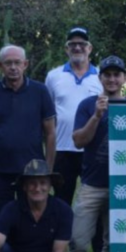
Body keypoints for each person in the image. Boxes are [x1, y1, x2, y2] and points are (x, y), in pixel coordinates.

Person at [58, 55, 126, 252]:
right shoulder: (88, 105)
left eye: (116, 74)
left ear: (124, 78)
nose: (111, 79)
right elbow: (78, 140)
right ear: (100, 78)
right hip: (91, 184)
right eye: (107, 74)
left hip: (121, 186)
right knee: (78, 237)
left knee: (111, 241)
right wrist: (97, 116)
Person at [0, 45, 58, 222]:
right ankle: (3, 250)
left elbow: (51, 133)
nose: (13, 67)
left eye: (17, 62)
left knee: (32, 219)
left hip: (32, 172)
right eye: (8, 63)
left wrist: (48, 172)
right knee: (1, 220)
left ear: (25, 64)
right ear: (0, 66)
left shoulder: (40, 91)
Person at [45, 27, 102, 205]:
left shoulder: (101, 76)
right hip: (62, 149)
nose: (77, 48)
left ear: (90, 48)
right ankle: (61, 233)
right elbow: (49, 114)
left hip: (92, 149)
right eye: (73, 44)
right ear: (66, 49)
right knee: (62, 199)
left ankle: (95, 234)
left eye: (82, 44)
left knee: (94, 199)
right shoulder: (53, 76)